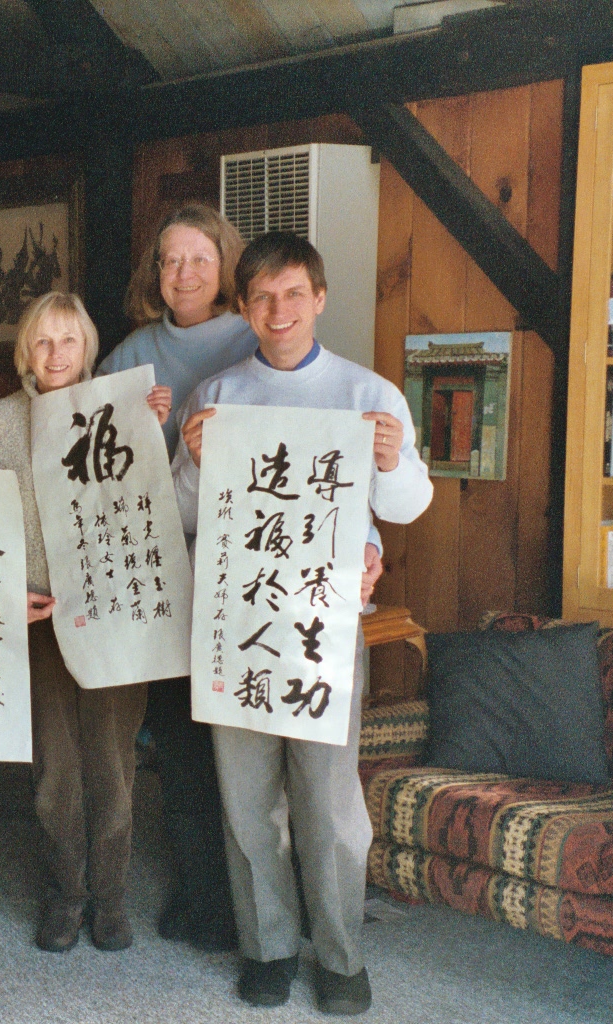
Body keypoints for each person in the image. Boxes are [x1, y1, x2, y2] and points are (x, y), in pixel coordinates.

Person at [171, 232, 432, 1015]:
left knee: (327, 797)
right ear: (243, 309)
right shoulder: (217, 397)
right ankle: (268, 946)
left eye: (293, 295)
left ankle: (342, 953)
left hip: (323, 621)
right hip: (236, 619)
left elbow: (406, 506)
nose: (278, 311)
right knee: (247, 795)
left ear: (318, 298)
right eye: (261, 298)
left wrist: (390, 462)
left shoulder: (369, 394)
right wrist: (187, 458)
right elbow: (183, 512)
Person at [0, 291, 168, 954]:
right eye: (42, 341)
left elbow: (151, 511)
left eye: (69, 340)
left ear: (87, 348)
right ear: (26, 350)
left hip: (115, 616)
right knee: (56, 770)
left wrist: (154, 431)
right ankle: (65, 894)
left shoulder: (122, 411)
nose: (56, 354)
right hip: (38, 615)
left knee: (113, 766)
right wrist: (5, 590)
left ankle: (110, 898)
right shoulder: (0, 422)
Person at [95, 202, 255, 950]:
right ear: (152, 273)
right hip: (160, 570)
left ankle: (267, 906)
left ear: (225, 265)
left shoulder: (260, 339)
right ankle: (202, 897)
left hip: (250, 570)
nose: (183, 274)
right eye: (169, 260)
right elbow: (88, 469)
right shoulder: (129, 354)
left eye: (198, 258)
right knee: (185, 744)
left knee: (248, 744)